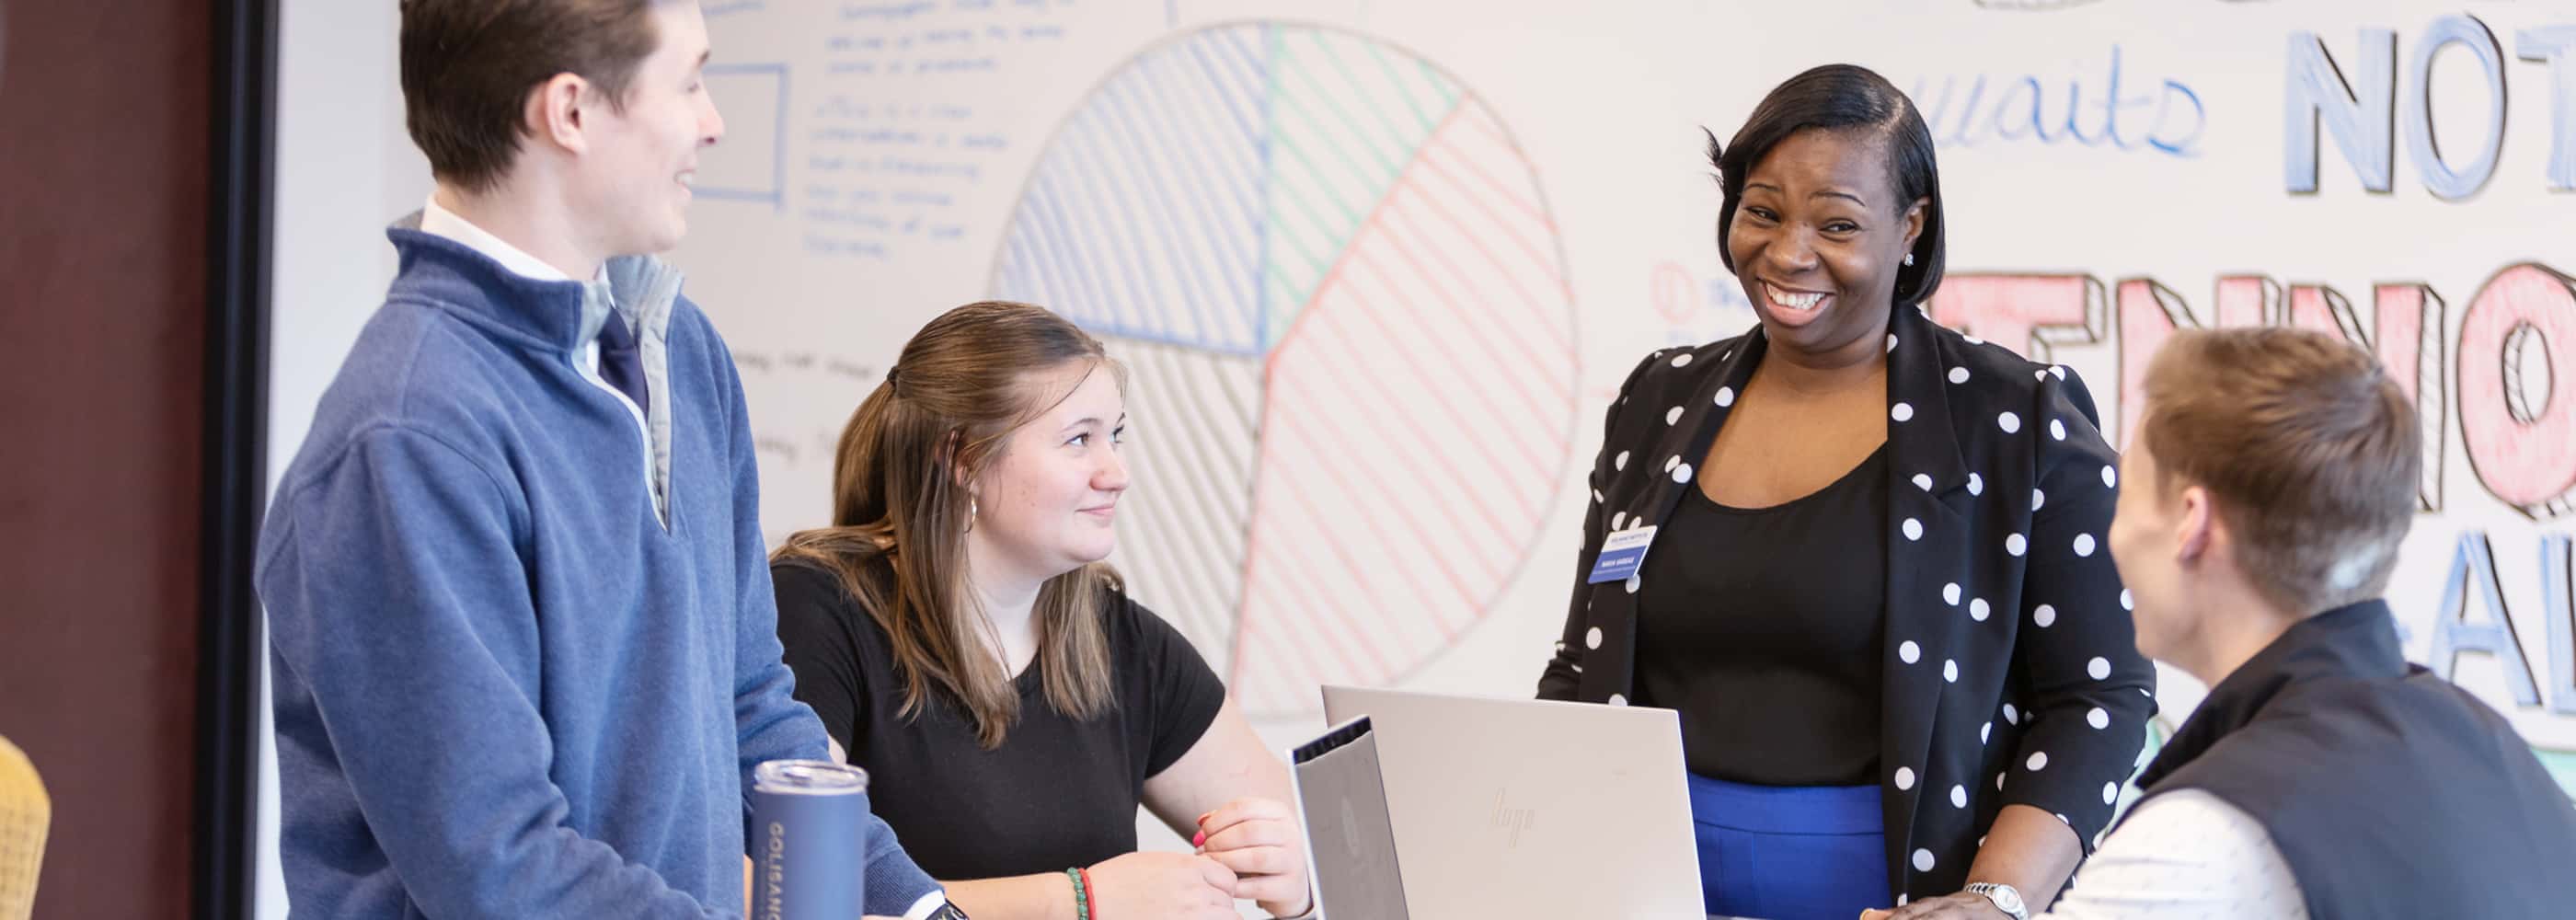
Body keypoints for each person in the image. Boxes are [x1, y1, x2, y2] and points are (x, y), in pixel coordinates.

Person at [257, 2, 957, 916]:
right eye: (691, 81)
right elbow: (500, 871)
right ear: (572, 112)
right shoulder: (407, 438)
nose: (713, 122)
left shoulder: (680, 352)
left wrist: (917, 905)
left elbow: (750, 705)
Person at [1536, 63, 2155, 920]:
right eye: (1762, 211)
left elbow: (2098, 698)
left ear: (1910, 227)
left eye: (1836, 222)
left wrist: (1994, 900)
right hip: (1639, 892)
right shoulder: (1658, 400)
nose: (1789, 252)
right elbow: (1580, 670)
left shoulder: (2018, 421)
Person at [1892, 328, 2576, 919]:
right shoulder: (2489, 746)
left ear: (2191, 524)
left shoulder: (2201, 843)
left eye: (2124, 493)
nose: (2110, 537)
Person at [771, 301, 1315, 920]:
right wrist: (1082, 901)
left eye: (1115, 436)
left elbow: (1323, 856)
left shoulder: (1120, 641)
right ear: (964, 460)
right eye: (1079, 439)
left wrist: (1297, 887)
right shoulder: (815, 610)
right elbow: (796, 896)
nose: (1116, 473)